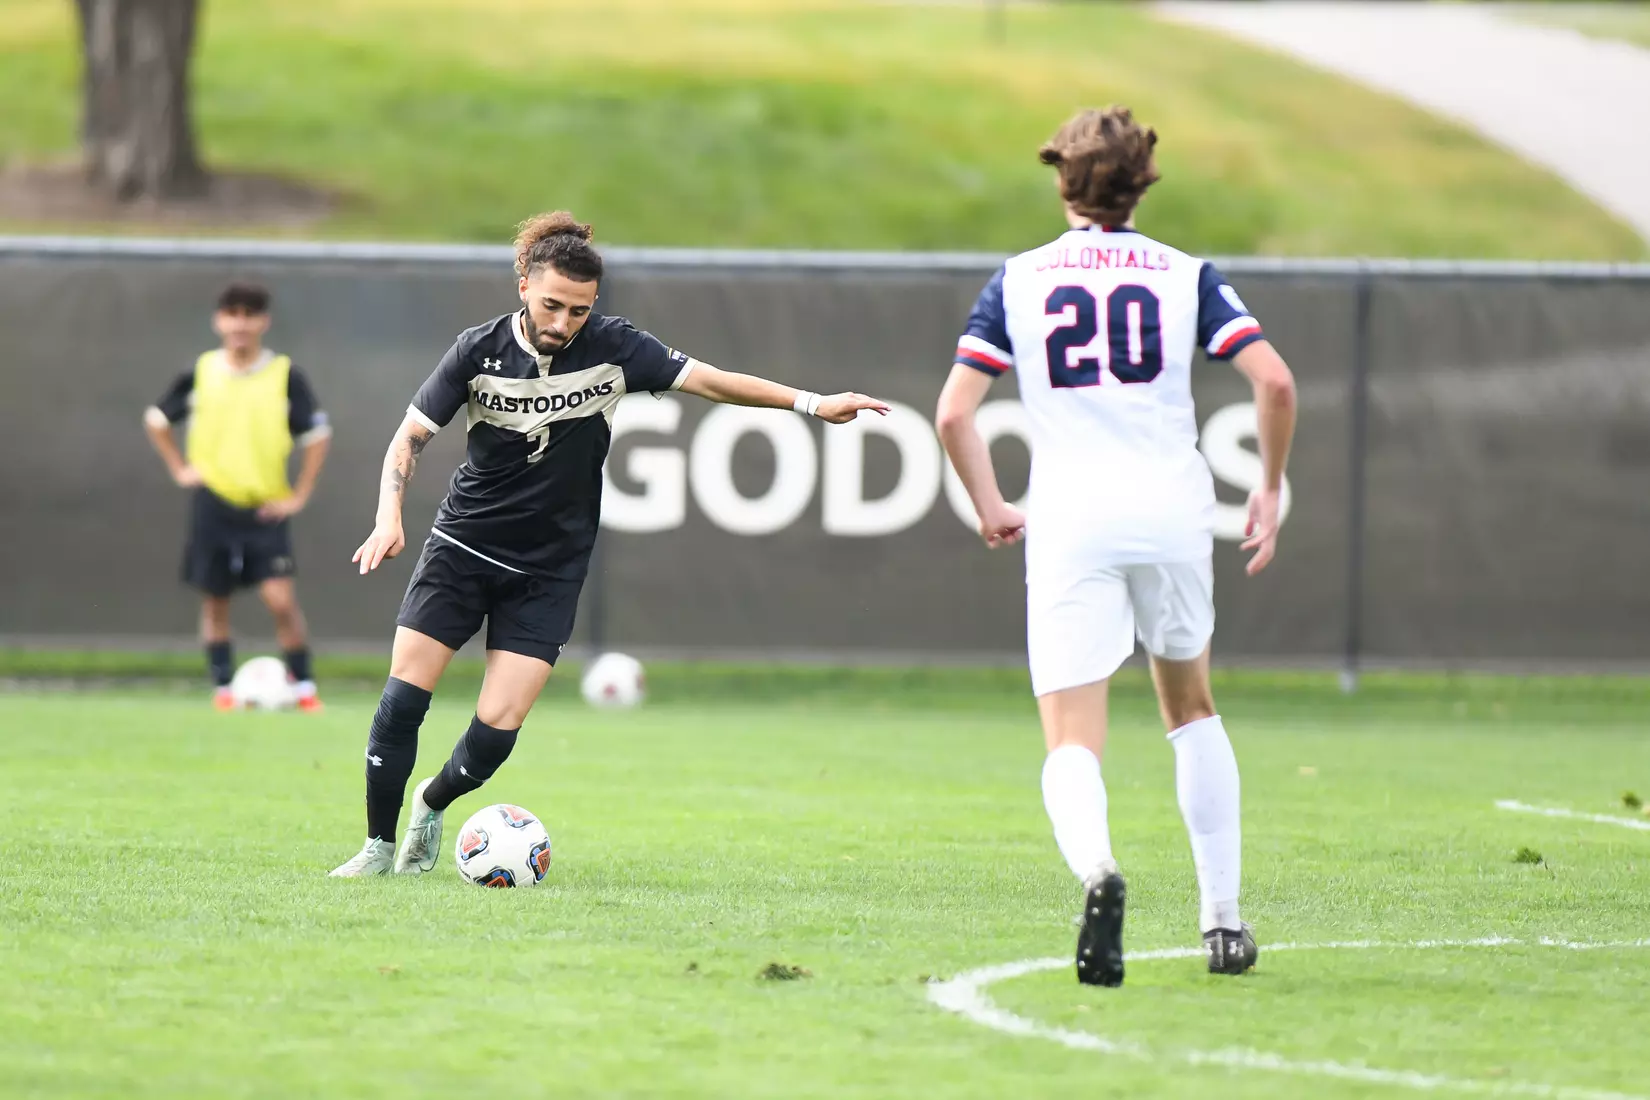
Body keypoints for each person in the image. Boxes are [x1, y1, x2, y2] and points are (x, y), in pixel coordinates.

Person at [329, 212, 890, 878]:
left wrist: (811, 404)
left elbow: (710, 381)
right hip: (463, 547)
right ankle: (377, 849)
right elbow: (410, 437)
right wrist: (389, 515)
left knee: (497, 731)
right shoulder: (475, 352)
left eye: (578, 310)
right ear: (522, 286)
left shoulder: (615, 347)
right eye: (551, 305)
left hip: (549, 568)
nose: (563, 322)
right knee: (403, 701)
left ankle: (433, 799)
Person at [934, 107, 1297, 985]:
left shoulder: (1019, 280)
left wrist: (990, 504)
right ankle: (1222, 922)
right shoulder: (1185, 275)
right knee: (1191, 707)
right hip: (1171, 512)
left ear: (1062, 179)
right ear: (1144, 184)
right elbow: (1274, 379)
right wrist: (1271, 483)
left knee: (1071, 736)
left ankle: (1099, 872)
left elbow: (953, 412)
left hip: (1070, 519)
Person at [144, 283, 332, 711]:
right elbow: (157, 420)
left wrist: (298, 494)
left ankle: (304, 687)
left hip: (265, 507)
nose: (240, 324)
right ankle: (224, 688)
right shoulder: (202, 370)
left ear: (263, 322)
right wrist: (179, 468)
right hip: (213, 503)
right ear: (219, 320)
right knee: (215, 599)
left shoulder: (284, 374)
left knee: (280, 600)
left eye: (250, 315)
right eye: (233, 314)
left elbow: (318, 436)